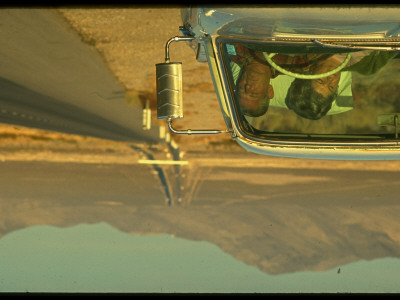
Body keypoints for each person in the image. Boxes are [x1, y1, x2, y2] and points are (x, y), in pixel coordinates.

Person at [284, 51, 399, 120]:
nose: (330, 79)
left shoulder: (307, 47)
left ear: (309, 74)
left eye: (320, 80)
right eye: (331, 87)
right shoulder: (368, 66)